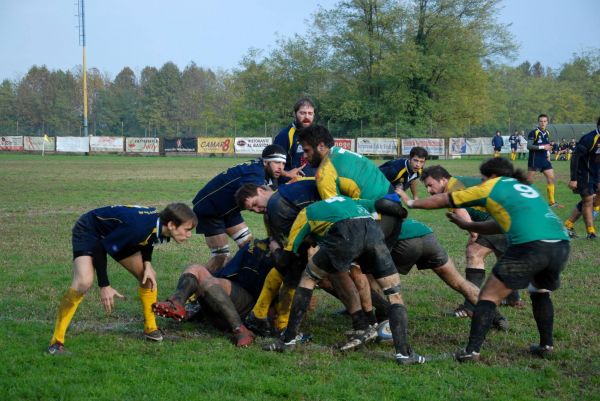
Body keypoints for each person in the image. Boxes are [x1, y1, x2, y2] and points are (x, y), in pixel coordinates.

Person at [405, 157, 570, 362]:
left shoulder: (492, 186)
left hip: (531, 246)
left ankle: (471, 352)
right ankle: (546, 346)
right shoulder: (523, 187)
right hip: (560, 244)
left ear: (491, 176)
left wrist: (411, 201)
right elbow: (499, 224)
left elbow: (447, 199)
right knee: (539, 291)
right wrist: (470, 226)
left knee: (487, 297)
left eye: (483, 179)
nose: (482, 182)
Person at [263, 196, 425, 365]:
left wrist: (274, 246)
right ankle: (404, 354)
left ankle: (287, 341)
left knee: (308, 278)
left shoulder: (305, 214)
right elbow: (385, 204)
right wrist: (400, 218)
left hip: (344, 233)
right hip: (373, 233)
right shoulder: (348, 201)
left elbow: (285, 260)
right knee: (394, 294)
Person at [47, 203, 198, 355]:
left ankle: (150, 328)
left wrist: (148, 264)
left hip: (118, 234)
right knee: (84, 282)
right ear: (172, 225)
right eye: (187, 230)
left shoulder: (157, 224)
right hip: (90, 229)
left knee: (148, 277)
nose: (189, 235)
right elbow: (101, 248)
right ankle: (56, 342)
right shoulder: (138, 228)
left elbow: (148, 239)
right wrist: (104, 286)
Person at [408, 165, 522, 317]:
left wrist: (473, 236)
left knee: (474, 252)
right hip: (514, 212)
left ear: (443, 180)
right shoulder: (457, 182)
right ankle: (514, 299)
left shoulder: (451, 191)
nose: (429, 190)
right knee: (502, 256)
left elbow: (471, 229)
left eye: (430, 185)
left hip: (503, 216)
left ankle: (470, 307)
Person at [153, 238, 275, 347]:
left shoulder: (282, 256)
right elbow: (224, 274)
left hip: (249, 311)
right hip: (225, 307)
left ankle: (241, 330)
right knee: (196, 268)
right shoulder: (253, 247)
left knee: (206, 280)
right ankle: (177, 302)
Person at [192, 144, 286, 271]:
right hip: (210, 209)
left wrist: (287, 175)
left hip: (229, 210)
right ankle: (198, 284)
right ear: (265, 162)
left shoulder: (261, 168)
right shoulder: (255, 174)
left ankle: (238, 278)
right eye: (276, 162)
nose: (280, 167)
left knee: (250, 247)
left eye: (283, 164)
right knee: (221, 257)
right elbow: (264, 198)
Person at [297, 125, 393, 201]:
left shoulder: (324, 173)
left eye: (307, 150)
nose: (304, 156)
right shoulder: (338, 151)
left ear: (321, 146)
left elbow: (337, 212)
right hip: (392, 196)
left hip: (381, 210)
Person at [567, 118, 600, 239]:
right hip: (583, 174)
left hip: (596, 173)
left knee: (591, 198)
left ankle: (568, 224)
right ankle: (591, 232)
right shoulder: (589, 138)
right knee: (588, 200)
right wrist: (573, 178)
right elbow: (575, 158)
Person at [273, 98, 317, 183]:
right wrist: (287, 173)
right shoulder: (285, 135)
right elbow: (271, 164)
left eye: (310, 113)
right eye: (302, 113)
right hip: (291, 186)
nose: (307, 117)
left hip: (312, 184)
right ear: (295, 114)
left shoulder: (317, 134)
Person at [526, 114, 561, 207]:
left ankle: (552, 202)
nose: (543, 123)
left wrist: (548, 155)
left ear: (547, 122)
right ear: (538, 122)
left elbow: (547, 146)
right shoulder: (534, 132)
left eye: (545, 121)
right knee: (528, 181)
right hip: (535, 159)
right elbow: (529, 146)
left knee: (551, 178)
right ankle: (524, 200)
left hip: (544, 159)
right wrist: (543, 147)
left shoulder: (547, 133)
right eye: (541, 121)